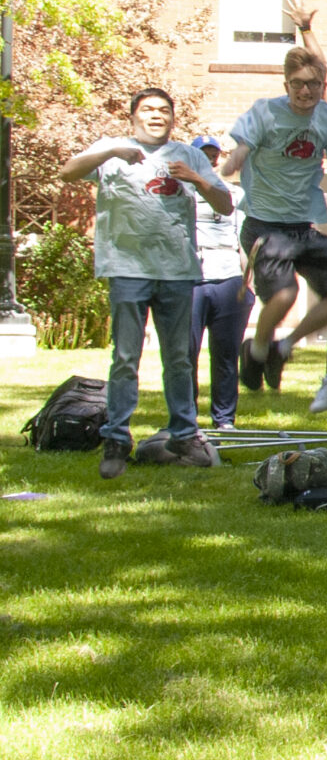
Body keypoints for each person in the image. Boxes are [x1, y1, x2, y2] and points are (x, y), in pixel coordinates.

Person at [64, 88, 229, 477]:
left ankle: (184, 436)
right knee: (125, 357)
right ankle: (117, 440)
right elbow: (67, 172)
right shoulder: (111, 149)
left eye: (164, 110)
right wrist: (110, 152)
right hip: (127, 268)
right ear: (133, 117)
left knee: (179, 359)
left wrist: (196, 179)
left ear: (172, 118)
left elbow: (225, 205)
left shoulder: (188, 155)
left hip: (177, 271)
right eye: (148, 109)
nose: (157, 115)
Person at [224, 18, 327, 392]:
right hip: (264, 226)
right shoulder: (265, 112)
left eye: (313, 83)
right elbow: (243, 147)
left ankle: (282, 347)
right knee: (285, 295)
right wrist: (234, 161)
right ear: (286, 85)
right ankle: (256, 350)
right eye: (297, 84)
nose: (305, 91)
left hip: (302, 227)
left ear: (322, 85)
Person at [185, 135, 250, 434]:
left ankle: (224, 419)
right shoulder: (181, 192)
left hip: (228, 277)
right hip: (191, 279)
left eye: (213, 154)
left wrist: (247, 283)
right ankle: (186, 418)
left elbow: (244, 240)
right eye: (202, 154)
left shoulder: (234, 195)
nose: (209, 159)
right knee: (186, 352)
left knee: (226, 354)